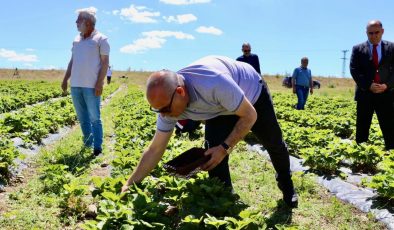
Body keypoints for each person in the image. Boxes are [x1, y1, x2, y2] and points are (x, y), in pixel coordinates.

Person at [121, 56, 298, 208]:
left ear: (180, 92)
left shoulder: (213, 83)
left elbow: (250, 116)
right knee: (213, 157)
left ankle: (287, 185)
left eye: (165, 109)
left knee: (274, 143)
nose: (164, 115)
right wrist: (130, 183)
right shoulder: (167, 104)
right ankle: (224, 202)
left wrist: (224, 147)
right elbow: (155, 149)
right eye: (158, 110)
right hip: (218, 108)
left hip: (251, 94)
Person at [61, 8, 110, 156]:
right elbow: (72, 61)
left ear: (88, 23)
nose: (76, 23)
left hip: (91, 86)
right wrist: (65, 79)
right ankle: (87, 144)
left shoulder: (101, 39)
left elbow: (105, 63)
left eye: (78, 20)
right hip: (75, 85)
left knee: (94, 118)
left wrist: (99, 83)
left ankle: (97, 148)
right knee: (83, 118)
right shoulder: (76, 40)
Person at [350, 20, 394, 150]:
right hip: (365, 93)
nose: (374, 36)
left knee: (389, 126)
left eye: (377, 32)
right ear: (366, 33)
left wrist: (387, 85)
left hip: (386, 93)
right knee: (362, 126)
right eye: (370, 33)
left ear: (382, 31)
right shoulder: (357, 49)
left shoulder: (392, 47)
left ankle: (391, 154)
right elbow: (354, 69)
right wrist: (368, 85)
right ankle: (360, 155)